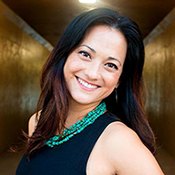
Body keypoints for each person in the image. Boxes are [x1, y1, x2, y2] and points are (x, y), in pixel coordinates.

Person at [16, 8, 164, 175]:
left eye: (110, 65)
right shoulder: (37, 122)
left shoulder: (118, 141)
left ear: (119, 81)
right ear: (65, 55)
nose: (93, 74)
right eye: (85, 54)